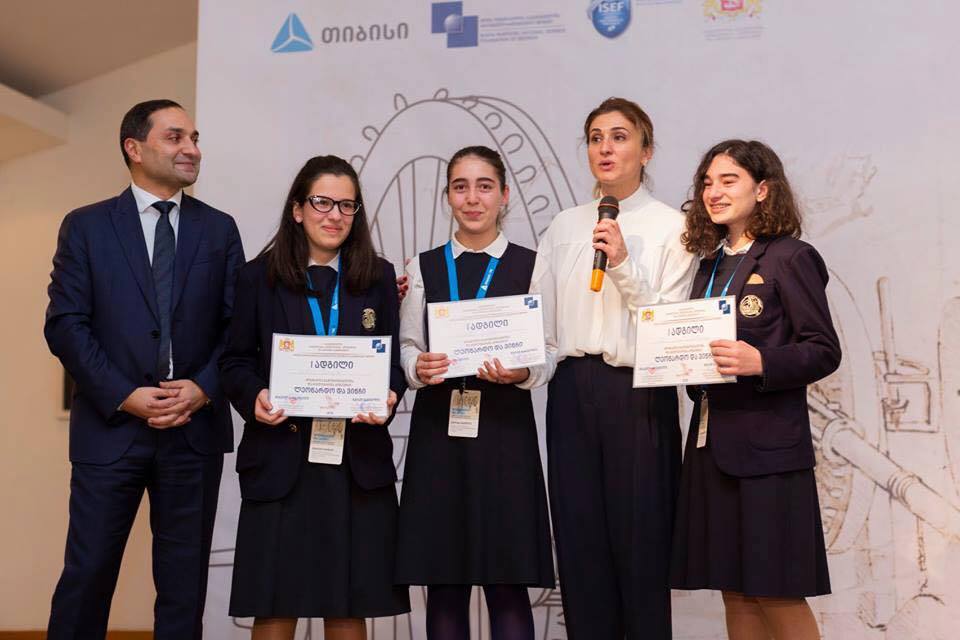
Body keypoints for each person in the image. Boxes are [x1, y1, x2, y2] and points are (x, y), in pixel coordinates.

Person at [44, 99, 245, 639]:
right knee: (86, 577)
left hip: (193, 433)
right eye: (176, 137)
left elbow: (238, 328)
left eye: (195, 138)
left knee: (184, 590)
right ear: (133, 148)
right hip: (110, 430)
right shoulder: (86, 227)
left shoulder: (219, 230)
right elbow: (65, 325)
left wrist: (203, 388)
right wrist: (124, 393)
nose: (192, 149)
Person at [526, 97, 697, 638]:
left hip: (638, 391)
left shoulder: (675, 228)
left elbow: (670, 327)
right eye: (596, 137)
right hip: (572, 392)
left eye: (620, 137)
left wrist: (622, 263)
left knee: (642, 546)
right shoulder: (563, 226)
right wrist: (522, 368)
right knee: (579, 549)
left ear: (646, 151)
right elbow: (541, 325)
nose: (605, 148)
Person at [219, 155, 410, 640]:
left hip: (355, 463)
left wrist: (390, 395)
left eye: (347, 205)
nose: (335, 215)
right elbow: (235, 361)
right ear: (297, 209)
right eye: (322, 202)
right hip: (280, 459)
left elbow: (392, 364)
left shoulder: (378, 277)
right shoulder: (257, 278)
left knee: (347, 606)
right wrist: (255, 396)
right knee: (274, 604)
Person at [670, 139, 840, 640]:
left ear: (762, 190)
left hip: (769, 453)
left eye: (729, 181)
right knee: (735, 590)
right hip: (711, 446)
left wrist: (761, 361)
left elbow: (823, 350)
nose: (714, 192)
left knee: (776, 591)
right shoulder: (707, 265)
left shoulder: (791, 257)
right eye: (707, 183)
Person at [395, 146, 555, 639]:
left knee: (507, 581)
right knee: (445, 582)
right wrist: (417, 367)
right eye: (460, 187)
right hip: (438, 436)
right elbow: (408, 344)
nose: (472, 198)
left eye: (484, 186)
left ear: (503, 195)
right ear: (447, 196)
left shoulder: (532, 265)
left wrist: (523, 372)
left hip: (505, 435)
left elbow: (549, 350)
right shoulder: (423, 266)